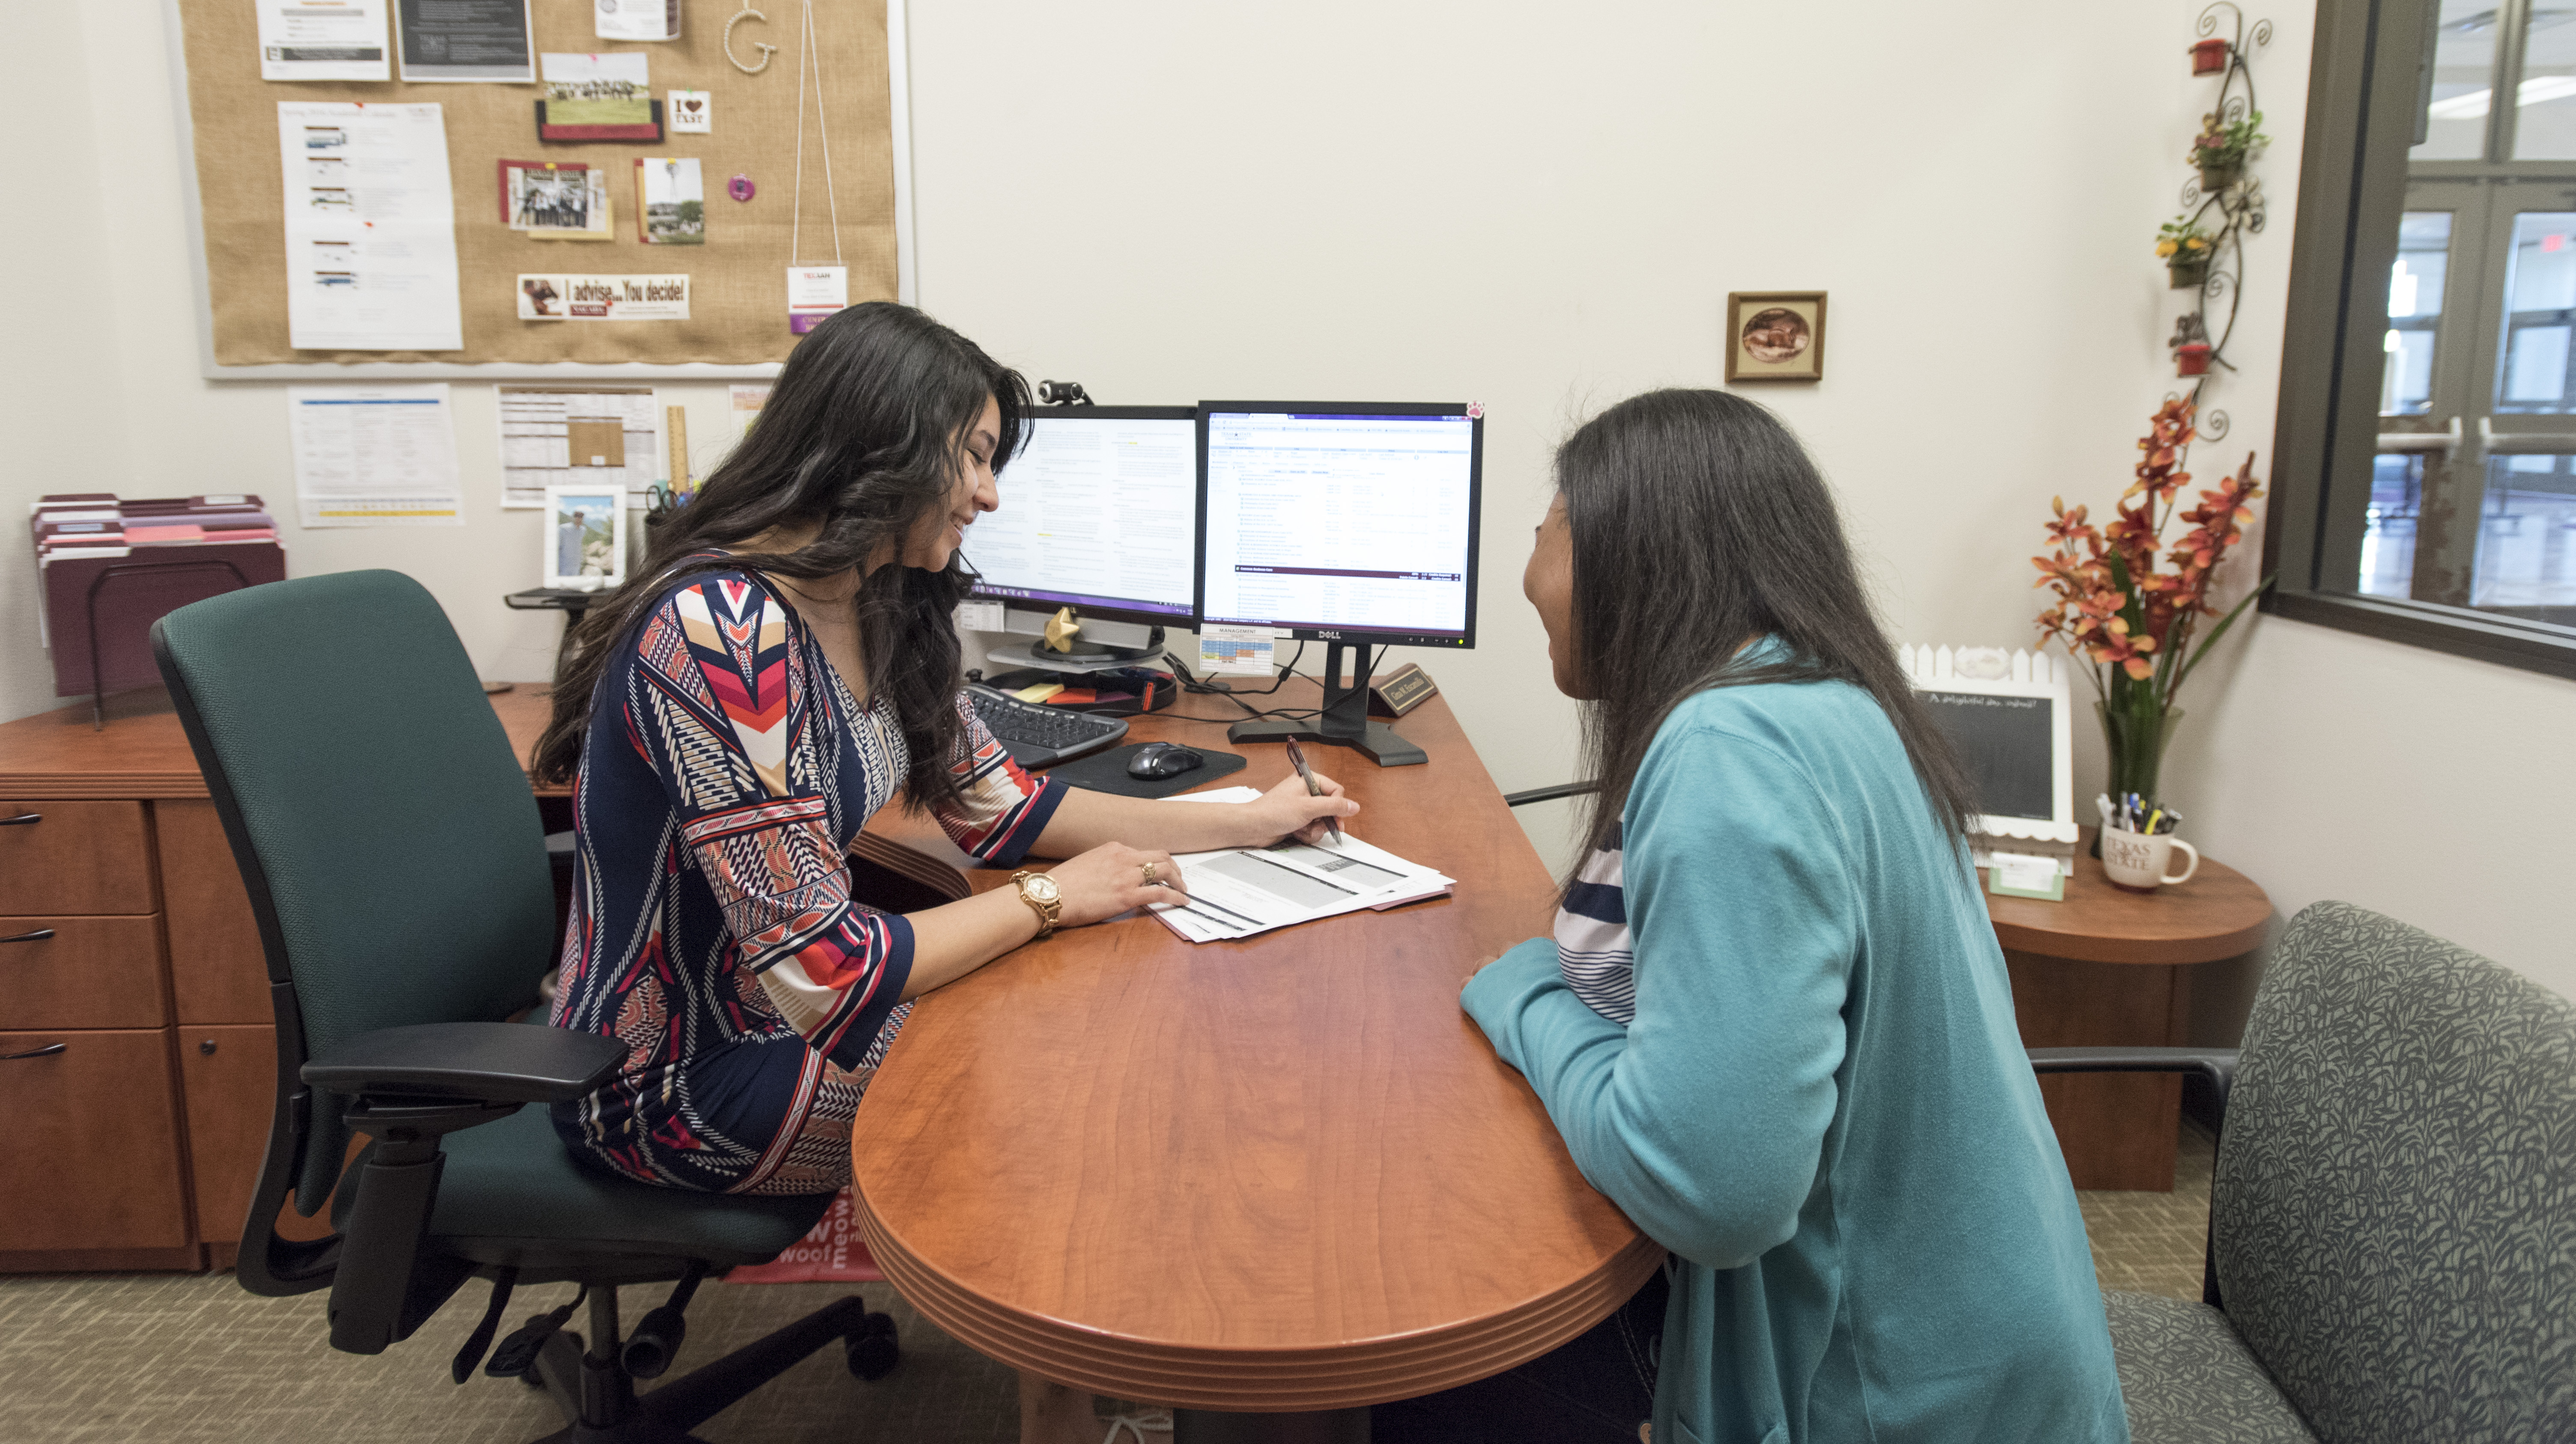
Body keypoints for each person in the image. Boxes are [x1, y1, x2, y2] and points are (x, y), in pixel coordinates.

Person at [532, 303, 1357, 1444]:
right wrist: (1051, 903)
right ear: (883, 446)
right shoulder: (723, 628)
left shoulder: (878, 599)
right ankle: (1087, 1415)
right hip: (674, 1079)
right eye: (973, 456)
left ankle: (1111, 1394)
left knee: (1093, 1045)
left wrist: (1243, 824)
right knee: (1064, 1123)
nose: (990, 492)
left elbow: (1006, 812)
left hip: (780, 1027)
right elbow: (823, 973)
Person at [1376, 388, 2126, 1444]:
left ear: (1624, 550)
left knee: (1427, 1330)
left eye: (1544, 530)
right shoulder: (1833, 700)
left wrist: (1525, 995)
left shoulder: (1728, 749)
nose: (1525, 575)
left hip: (1881, 1390)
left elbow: (1709, 1193)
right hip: (1990, 1350)